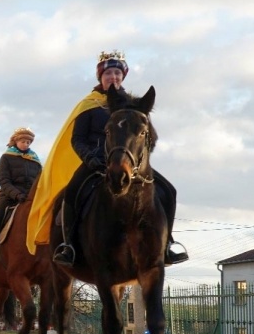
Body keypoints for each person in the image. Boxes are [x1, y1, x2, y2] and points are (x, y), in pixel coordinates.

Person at [26, 50, 188, 267]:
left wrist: (137, 160)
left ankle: (167, 244)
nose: (113, 77)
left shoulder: (134, 106)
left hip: (130, 165)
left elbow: (151, 138)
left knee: (169, 190)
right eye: (108, 73)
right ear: (100, 77)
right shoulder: (89, 105)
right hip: (95, 163)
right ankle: (68, 246)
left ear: (123, 77)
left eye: (117, 73)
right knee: (71, 192)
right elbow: (78, 139)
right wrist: (90, 158)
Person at [0, 126, 42, 264]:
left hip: (31, 197)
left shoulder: (35, 160)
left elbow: (41, 180)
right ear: (16, 141)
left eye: (28, 142)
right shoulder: (6, 157)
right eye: (23, 141)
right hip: (10, 196)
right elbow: (4, 181)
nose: (26, 144)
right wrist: (17, 195)